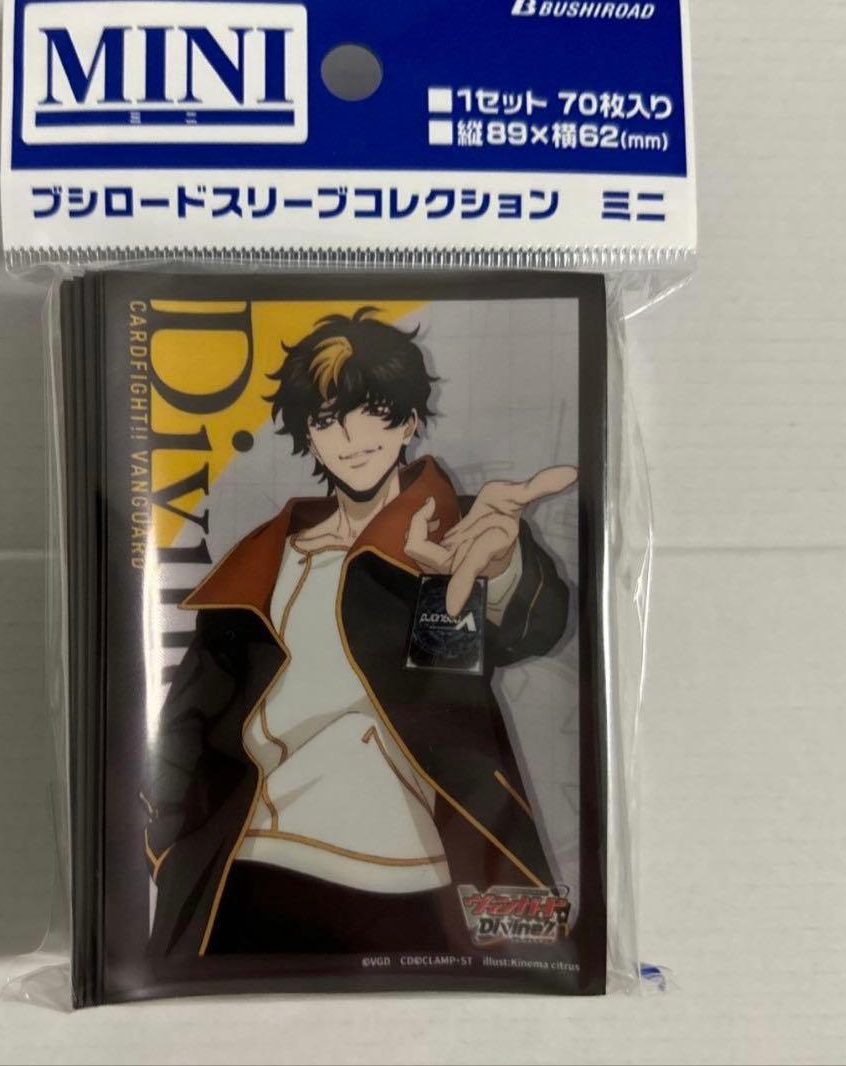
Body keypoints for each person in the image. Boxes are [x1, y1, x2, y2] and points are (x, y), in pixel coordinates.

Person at [143, 307, 576, 957]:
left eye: (373, 411)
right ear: (308, 437)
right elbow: (182, 732)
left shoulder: (443, 540)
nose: (351, 437)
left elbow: (531, 629)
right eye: (325, 420)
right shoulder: (263, 565)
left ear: (408, 420)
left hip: (422, 885)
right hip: (257, 870)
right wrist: (171, 851)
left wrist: (506, 569)